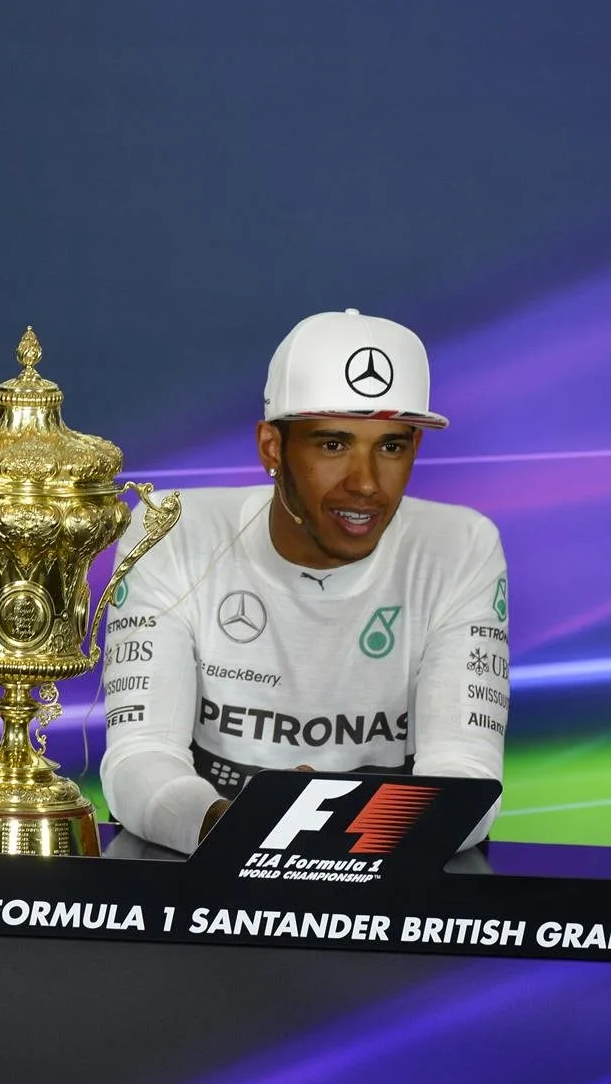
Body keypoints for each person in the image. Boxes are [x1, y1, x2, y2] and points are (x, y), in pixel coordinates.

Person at [99, 308, 509, 854]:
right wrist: (250, 836)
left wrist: (323, 839)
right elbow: (139, 757)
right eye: (332, 444)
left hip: (388, 894)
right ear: (273, 447)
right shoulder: (173, 533)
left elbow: (467, 772)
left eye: (391, 446)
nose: (365, 483)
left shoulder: (461, 547)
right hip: (204, 892)